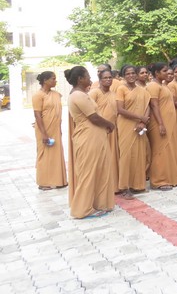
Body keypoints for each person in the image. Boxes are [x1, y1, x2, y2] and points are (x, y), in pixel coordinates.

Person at [66, 66, 115, 218]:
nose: (90, 78)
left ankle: (99, 203)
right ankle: (82, 210)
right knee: (88, 173)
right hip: (88, 137)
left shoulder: (82, 94)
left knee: (99, 170)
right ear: (80, 79)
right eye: (87, 76)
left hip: (94, 136)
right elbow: (93, 117)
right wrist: (109, 124)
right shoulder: (78, 95)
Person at [115, 65, 151, 199]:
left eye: (133, 73)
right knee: (126, 156)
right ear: (123, 76)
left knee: (139, 154)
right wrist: (140, 117)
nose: (131, 76)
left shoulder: (142, 90)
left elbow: (147, 107)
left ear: (136, 74)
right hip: (126, 125)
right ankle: (125, 187)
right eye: (127, 74)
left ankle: (138, 185)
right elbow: (120, 109)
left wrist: (143, 122)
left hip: (140, 126)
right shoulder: (121, 89)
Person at [146, 63, 177, 190]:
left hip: (169, 122)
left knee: (168, 150)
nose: (167, 73)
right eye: (164, 71)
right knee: (160, 151)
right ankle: (159, 181)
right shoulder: (153, 86)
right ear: (157, 73)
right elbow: (154, 105)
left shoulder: (163, 85)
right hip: (159, 122)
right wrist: (160, 123)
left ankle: (169, 177)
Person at [32, 71, 67, 190]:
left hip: (55, 128)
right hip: (44, 129)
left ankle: (59, 180)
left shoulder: (56, 94)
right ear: (45, 80)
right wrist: (44, 134)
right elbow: (37, 115)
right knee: (44, 155)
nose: (55, 81)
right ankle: (43, 182)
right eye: (53, 79)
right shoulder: (38, 95)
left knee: (56, 154)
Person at [89, 69, 120, 193]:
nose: (108, 80)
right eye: (105, 78)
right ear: (100, 80)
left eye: (110, 77)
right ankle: (100, 187)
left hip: (113, 130)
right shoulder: (94, 93)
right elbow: (90, 113)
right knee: (100, 158)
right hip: (99, 130)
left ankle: (114, 185)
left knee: (113, 158)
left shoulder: (114, 94)